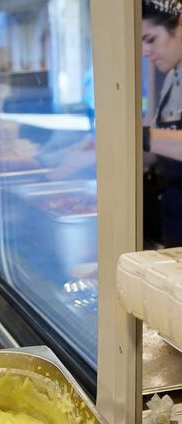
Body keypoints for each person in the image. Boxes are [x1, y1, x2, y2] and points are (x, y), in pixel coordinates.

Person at [143, 0, 182, 246]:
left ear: (179, 27)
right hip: (174, 212)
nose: (144, 52)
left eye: (150, 39)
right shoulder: (172, 78)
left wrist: (139, 136)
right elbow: (159, 147)